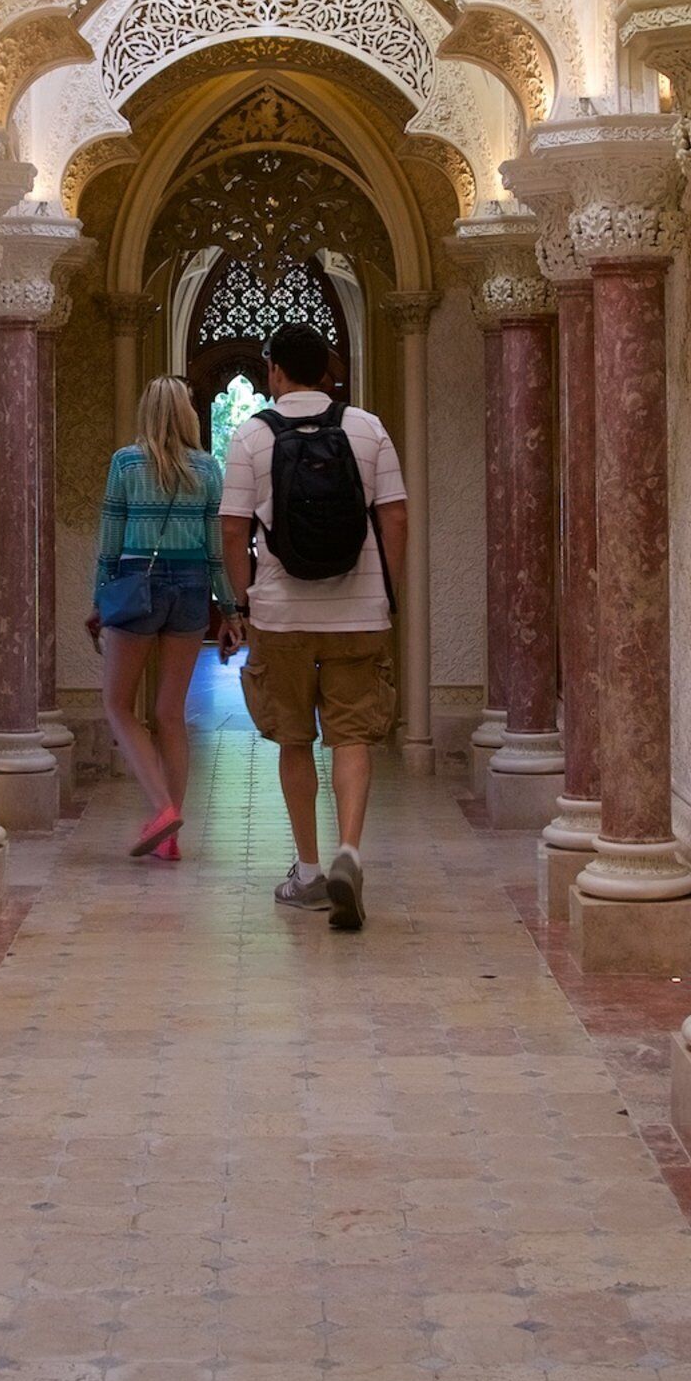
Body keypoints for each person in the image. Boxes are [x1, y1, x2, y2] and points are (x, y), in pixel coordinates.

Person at [219, 322, 410, 932]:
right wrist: (387, 592)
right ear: (329, 370)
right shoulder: (367, 427)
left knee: (294, 738)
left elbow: (232, 527)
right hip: (358, 612)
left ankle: (306, 872)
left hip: (282, 614)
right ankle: (348, 853)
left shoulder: (251, 437)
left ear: (274, 372)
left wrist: (243, 602)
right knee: (352, 735)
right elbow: (395, 516)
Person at [86, 374, 232, 860]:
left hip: (136, 586)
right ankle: (169, 839)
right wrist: (230, 609)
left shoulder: (125, 463)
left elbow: (110, 542)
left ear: (146, 411)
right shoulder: (209, 469)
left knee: (118, 705)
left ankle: (163, 809)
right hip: (191, 590)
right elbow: (215, 553)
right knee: (171, 714)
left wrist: (99, 600)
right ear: (189, 415)